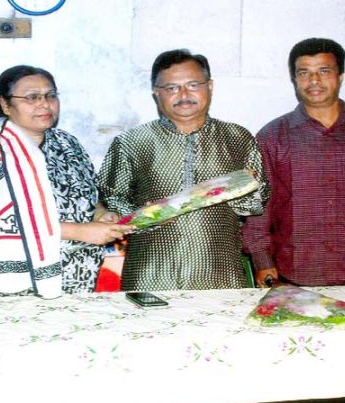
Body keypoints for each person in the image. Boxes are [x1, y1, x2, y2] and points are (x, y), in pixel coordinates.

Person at [0, 65, 131, 300]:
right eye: (32, 97)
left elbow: (88, 195)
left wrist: (99, 215)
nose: (44, 104)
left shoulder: (67, 143)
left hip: (79, 273)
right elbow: (2, 225)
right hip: (20, 280)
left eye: (51, 96)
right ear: (4, 104)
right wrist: (82, 231)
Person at [241, 38, 345, 289]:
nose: (314, 81)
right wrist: (262, 260)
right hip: (290, 274)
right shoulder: (272, 136)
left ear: (340, 76)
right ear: (294, 79)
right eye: (304, 72)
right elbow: (259, 207)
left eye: (324, 71)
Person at [98, 49, 267, 291]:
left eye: (192, 85)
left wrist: (235, 189)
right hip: (150, 271)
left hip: (220, 271)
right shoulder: (132, 142)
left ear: (209, 86)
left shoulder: (237, 138)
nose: (184, 95)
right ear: (157, 93)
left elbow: (258, 201)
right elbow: (110, 197)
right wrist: (145, 215)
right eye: (172, 88)